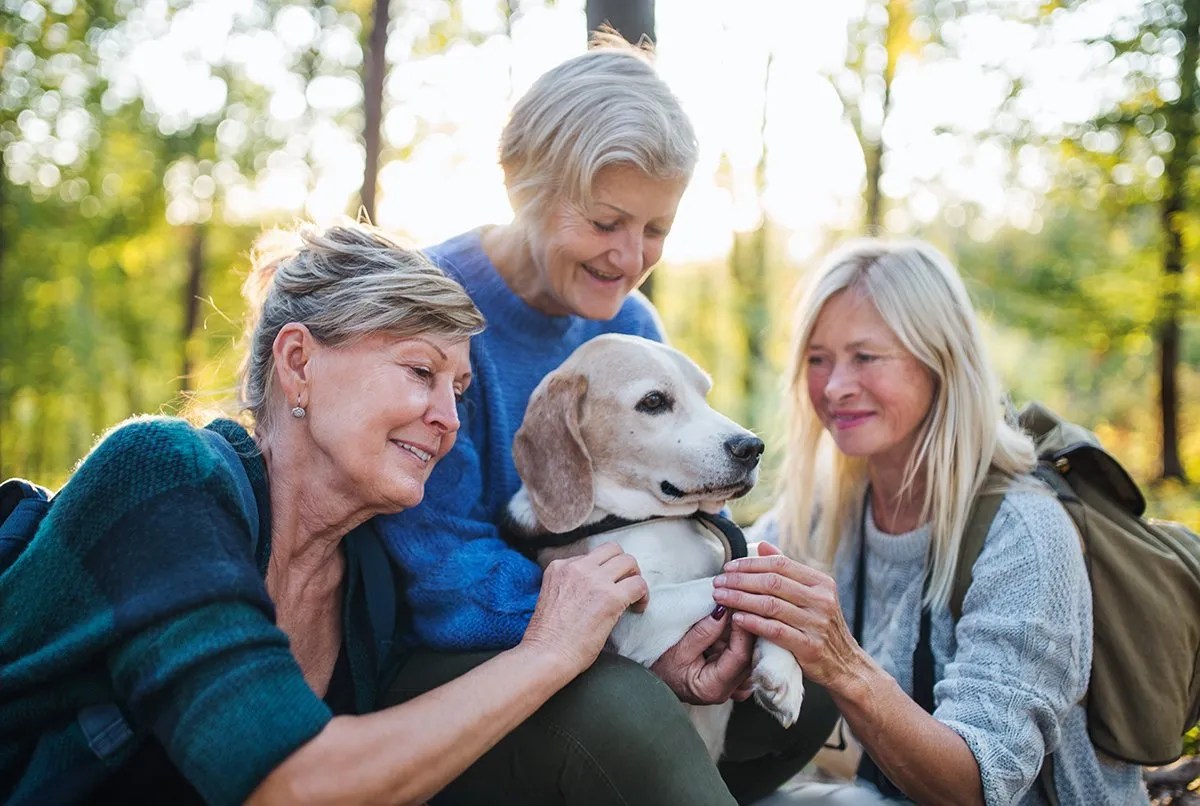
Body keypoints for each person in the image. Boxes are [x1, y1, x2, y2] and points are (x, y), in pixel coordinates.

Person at [0, 223, 655, 804]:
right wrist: (547, 652)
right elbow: (290, 783)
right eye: (420, 371)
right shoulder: (161, 476)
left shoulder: (372, 565)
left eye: (458, 391)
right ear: (298, 362)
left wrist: (665, 650)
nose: (450, 420)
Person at [375, 32, 838, 804]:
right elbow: (433, 570)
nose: (630, 257)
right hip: (443, 653)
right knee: (629, 709)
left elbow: (673, 498)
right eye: (605, 222)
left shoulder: (631, 327)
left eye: (656, 230)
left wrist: (712, 612)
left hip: (610, 617)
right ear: (527, 187)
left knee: (812, 686)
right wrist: (627, 627)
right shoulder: (431, 312)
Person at [713, 239, 1149, 804]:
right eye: (818, 359)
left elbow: (979, 787)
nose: (834, 386)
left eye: (865, 357)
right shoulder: (821, 512)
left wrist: (843, 665)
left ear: (939, 361)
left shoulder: (1023, 533)